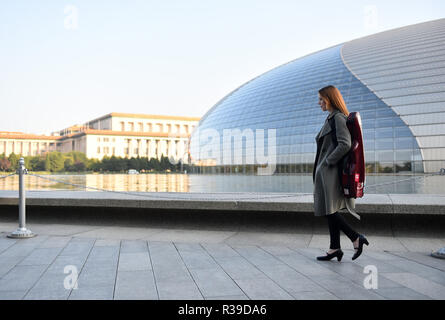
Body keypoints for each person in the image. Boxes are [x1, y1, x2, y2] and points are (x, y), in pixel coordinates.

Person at [313, 85, 369, 261]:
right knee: (330, 209)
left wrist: (328, 162)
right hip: (327, 172)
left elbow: (345, 144)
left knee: (329, 210)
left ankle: (355, 237)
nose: (319, 102)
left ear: (330, 99)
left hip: (331, 172)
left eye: (322, 99)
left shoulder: (338, 118)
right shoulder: (330, 118)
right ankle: (334, 248)